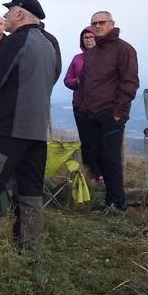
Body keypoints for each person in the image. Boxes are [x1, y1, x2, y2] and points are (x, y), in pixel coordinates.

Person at [0, 0, 60, 252]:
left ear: (20, 14)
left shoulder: (17, 41)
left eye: (8, 13)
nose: (5, 17)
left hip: (9, 128)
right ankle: (30, 252)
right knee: (30, 194)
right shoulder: (49, 44)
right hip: (38, 132)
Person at [75, 11, 139, 212]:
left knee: (111, 158)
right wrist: (84, 109)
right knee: (99, 157)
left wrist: (119, 111)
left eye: (102, 22)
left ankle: (117, 203)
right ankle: (110, 201)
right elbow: (85, 83)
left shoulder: (124, 49)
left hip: (111, 114)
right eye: (94, 23)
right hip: (91, 114)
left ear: (112, 24)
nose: (98, 26)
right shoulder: (92, 53)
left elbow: (130, 82)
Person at [64, 27, 101, 182]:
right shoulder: (77, 59)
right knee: (86, 141)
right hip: (80, 105)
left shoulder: (104, 58)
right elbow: (67, 80)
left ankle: (101, 173)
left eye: (91, 37)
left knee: (100, 141)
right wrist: (77, 82)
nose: (88, 40)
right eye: (85, 37)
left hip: (100, 105)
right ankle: (89, 173)